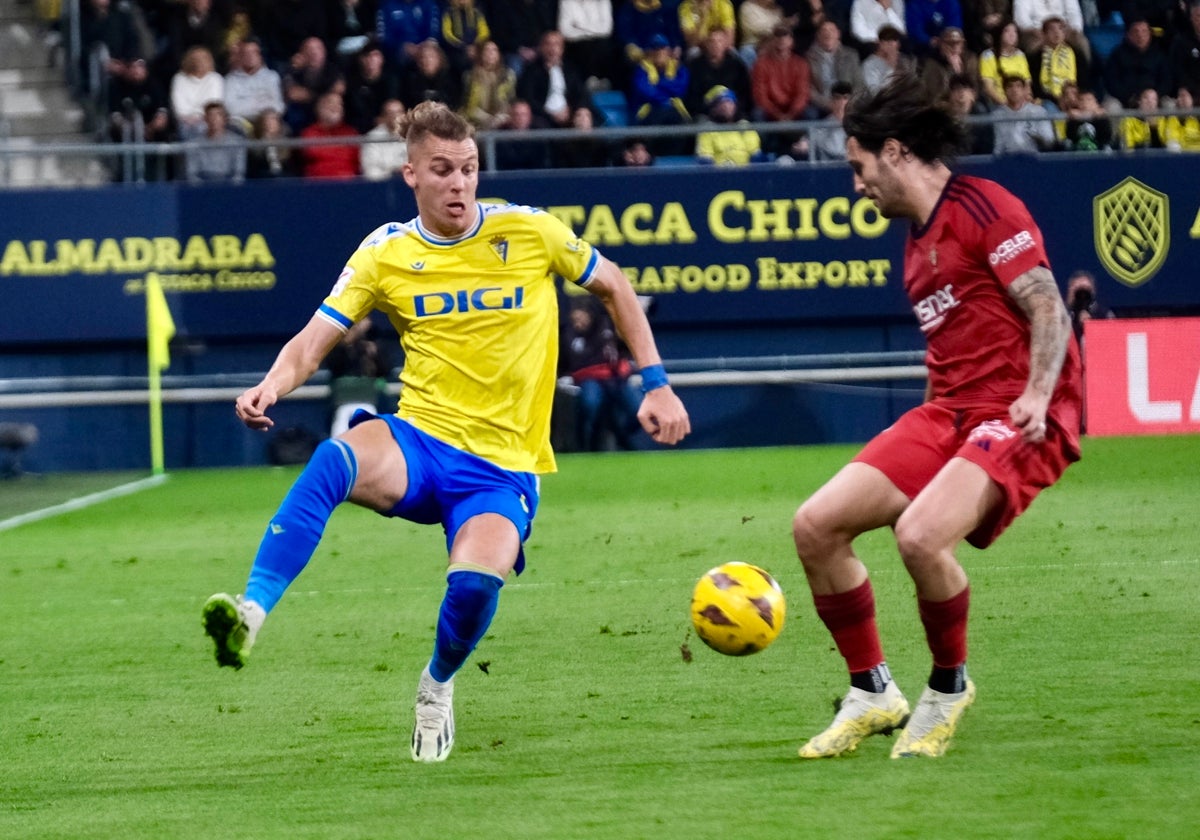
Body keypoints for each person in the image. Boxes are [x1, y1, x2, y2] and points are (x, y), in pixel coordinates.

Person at [201, 101, 691, 764]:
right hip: (422, 442)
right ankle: (252, 613)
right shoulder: (386, 252)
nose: (459, 183)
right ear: (412, 175)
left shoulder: (531, 232)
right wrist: (271, 385)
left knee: (472, 587)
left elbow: (615, 285)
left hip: (503, 467)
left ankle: (436, 687)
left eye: (468, 169)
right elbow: (314, 340)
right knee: (333, 459)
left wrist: (655, 381)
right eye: (443, 170)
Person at [793, 74, 1082, 761]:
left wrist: (1038, 398)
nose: (856, 186)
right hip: (949, 411)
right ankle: (873, 692)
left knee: (921, 537)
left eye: (859, 168)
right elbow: (948, 347)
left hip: (1017, 409)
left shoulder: (986, 208)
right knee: (815, 527)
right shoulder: (915, 242)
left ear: (894, 151)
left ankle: (948, 688)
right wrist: (923, 439)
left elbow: (1047, 307)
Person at [559, 298, 647, 450]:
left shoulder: (606, 325)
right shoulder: (567, 333)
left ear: (589, 314)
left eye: (581, 318)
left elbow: (624, 347)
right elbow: (563, 362)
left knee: (639, 411)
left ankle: (621, 436)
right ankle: (586, 448)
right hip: (588, 379)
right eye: (575, 319)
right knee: (590, 404)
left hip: (615, 378)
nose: (578, 322)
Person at [224, 37, 285, 134]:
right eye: (246, 53)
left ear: (259, 55)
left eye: (253, 52)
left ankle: (270, 149)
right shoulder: (231, 79)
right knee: (233, 126)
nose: (250, 56)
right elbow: (231, 109)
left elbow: (278, 106)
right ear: (240, 56)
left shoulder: (271, 77)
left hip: (266, 120)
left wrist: (246, 104)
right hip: (241, 122)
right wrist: (260, 102)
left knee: (271, 122)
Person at [695, 86, 766, 164]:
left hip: (746, 174)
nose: (726, 106)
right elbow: (705, 161)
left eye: (729, 102)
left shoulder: (744, 125)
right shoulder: (707, 129)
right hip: (719, 174)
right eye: (721, 103)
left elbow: (756, 156)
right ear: (713, 109)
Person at [298, 91, 361, 178]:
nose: (336, 107)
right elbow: (313, 153)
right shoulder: (309, 132)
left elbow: (355, 158)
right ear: (319, 108)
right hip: (318, 185)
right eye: (330, 103)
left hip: (348, 184)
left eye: (339, 104)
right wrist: (340, 150)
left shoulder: (350, 132)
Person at [170, 45, 225, 140]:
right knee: (188, 130)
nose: (199, 62)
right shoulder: (179, 78)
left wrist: (199, 117)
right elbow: (179, 107)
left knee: (205, 127)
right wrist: (190, 118)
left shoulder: (215, 79)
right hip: (185, 121)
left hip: (208, 120)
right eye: (195, 59)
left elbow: (213, 104)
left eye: (203, 59)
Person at [992, 74, 1057, 154]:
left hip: (1033, 158)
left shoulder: (1038, 111)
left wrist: (1037, 137)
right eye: (1010, 86)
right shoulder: (997, 114)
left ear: (1024, 90)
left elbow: (1049, 140)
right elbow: (998, 145)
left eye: (1018, 86)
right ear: (1004, 91)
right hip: (1008, 159)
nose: (1014, 90)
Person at [461, 39, 518, 130]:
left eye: (494, 50)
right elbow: (469, 106)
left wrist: (501, 117)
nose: (490, 53)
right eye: (487, 50)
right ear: (481, 54)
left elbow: (511, 101)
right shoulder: (470, 76)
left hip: (501, 119)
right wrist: (488, 119)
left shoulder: (508, 75)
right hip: (476, 119)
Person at [185, 100, 247, 182]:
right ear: (205, 119)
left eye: (218, 115)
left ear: (225, 118)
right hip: (203, 187)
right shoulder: (194, 144)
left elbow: (239, 173)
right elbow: (192, 174)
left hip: (229, 186)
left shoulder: (237, 142)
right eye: (211, 115)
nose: (214, 119)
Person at [978, 19, 1031, 107]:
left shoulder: (1020, 55)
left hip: (1021, 102)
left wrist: (1022, 101)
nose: (1012, 35)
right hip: (998, 103)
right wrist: (1006, 103)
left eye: (1015, 31)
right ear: (1000, 34)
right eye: (1007, 31)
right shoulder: (988, 56)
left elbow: (1027, 83)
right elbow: (988, 88)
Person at [361, 98, 410, 180]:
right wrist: (391, 174)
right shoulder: (372, 137)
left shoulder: (413, 136)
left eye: (399, 112)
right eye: (391, 113)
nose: (395, 116)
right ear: (384, 116)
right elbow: (370, 170)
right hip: (382, 185)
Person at [860, 24, 913, 93]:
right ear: (879, 43)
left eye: (894, 40)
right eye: (887, 40)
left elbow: (911, 84)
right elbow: (875, 92)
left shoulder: (904, 60)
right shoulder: (869, 64)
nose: (891, 44)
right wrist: (891, 68)